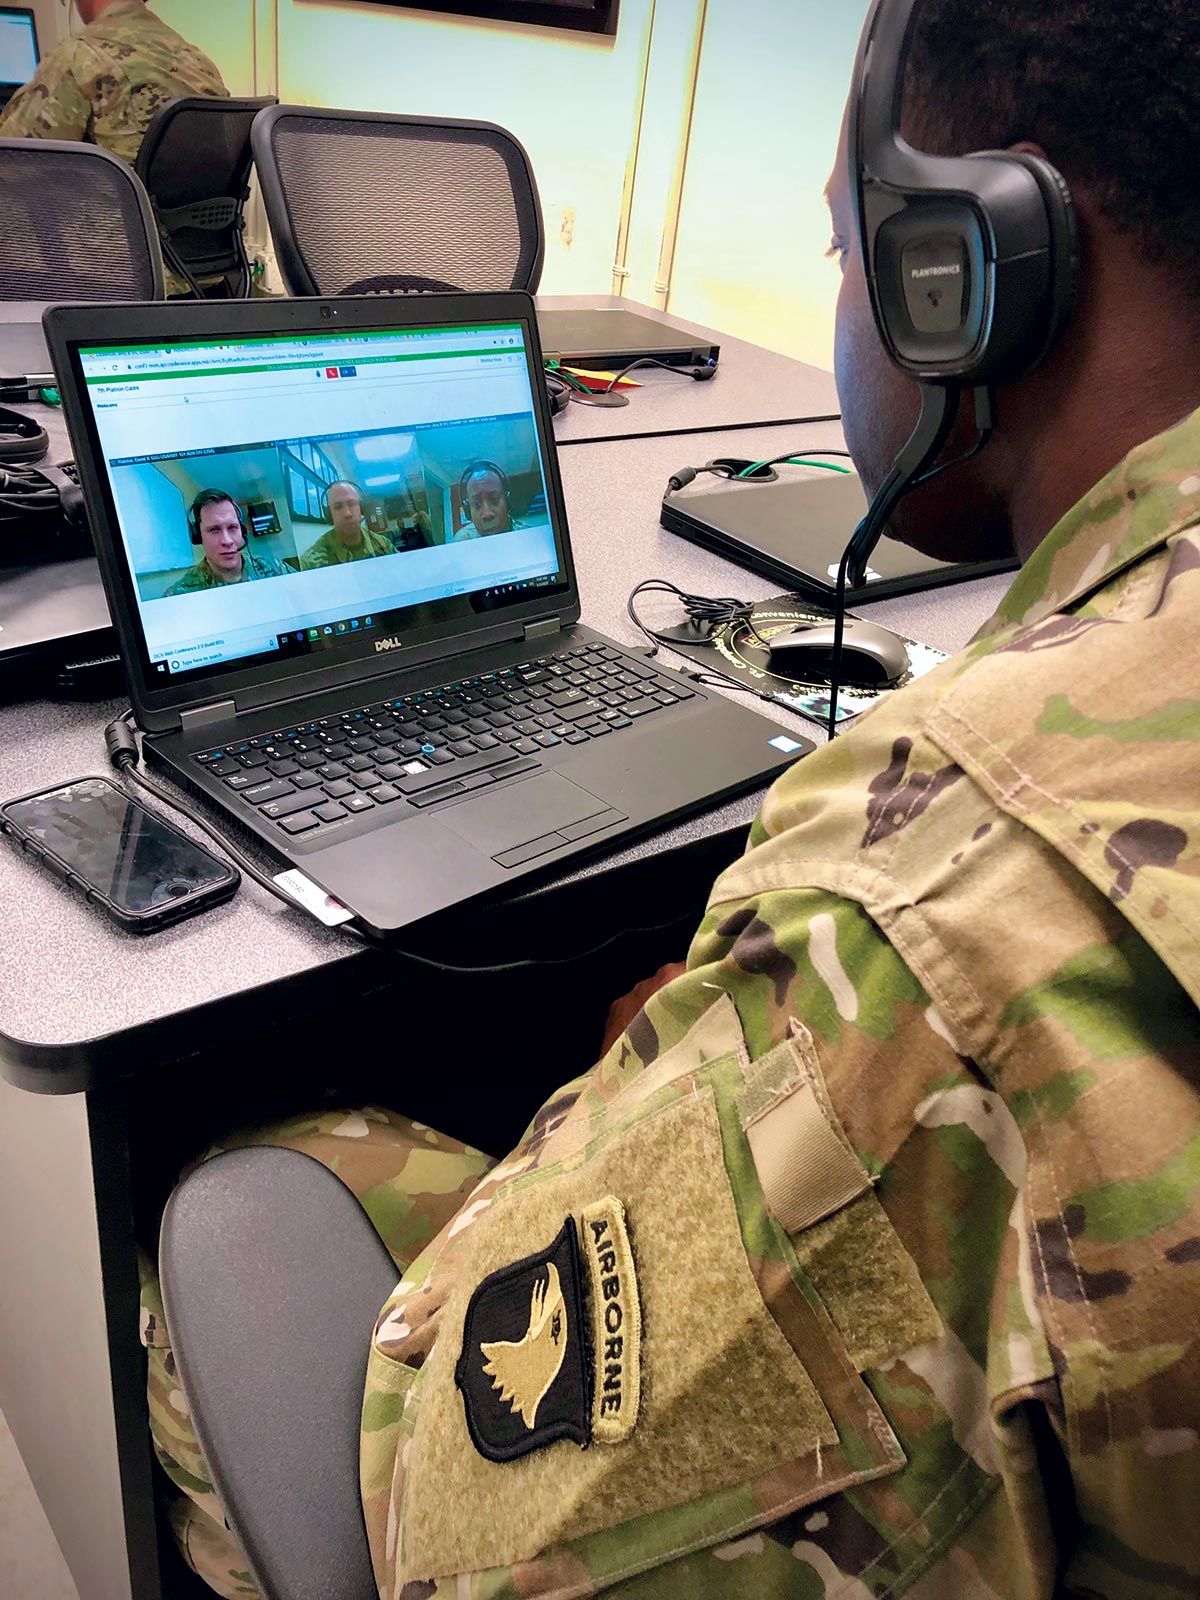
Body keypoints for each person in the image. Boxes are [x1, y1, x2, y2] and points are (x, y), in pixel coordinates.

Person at [143, 2, 1200, 1596]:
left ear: (967, 277)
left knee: (240, 1183)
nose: (852, 300)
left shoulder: (933, 907)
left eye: (847, 256)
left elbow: (480, 1542)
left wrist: (645, 1104)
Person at [0, 0, 228, 168]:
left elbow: (13, 163)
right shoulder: (200, 63)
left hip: (109, 230)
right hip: (188, 232)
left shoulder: (81, 56)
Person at [164, 491, 283, 596]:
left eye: (232, 527)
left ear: (242, 530)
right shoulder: (181, 595)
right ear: (198, 537)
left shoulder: (273, 567)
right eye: (214, 530)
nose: (227, 541)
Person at [299, 479, 396, 569]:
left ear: (361, 508)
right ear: (329, 514)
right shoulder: (311, 562)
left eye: (352, 504)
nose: (347, 513)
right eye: (338, 507)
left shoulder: (383, 545)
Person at [449, 459, 526, 540]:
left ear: (507, 501)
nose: (487, 514)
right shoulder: (462, 541)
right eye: (477, 504)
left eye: (494, 499)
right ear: (468, 511)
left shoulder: (526, 536)